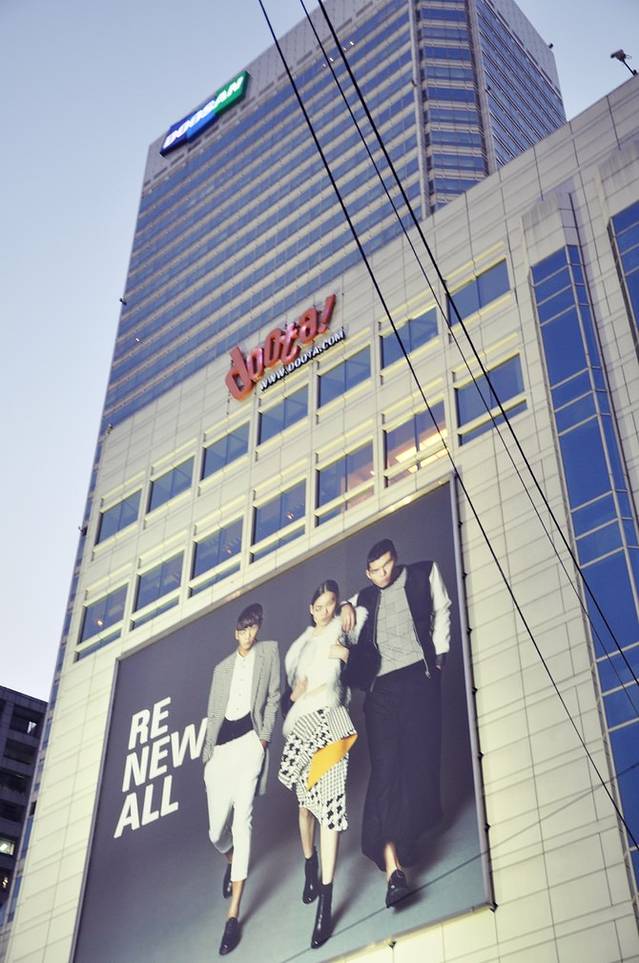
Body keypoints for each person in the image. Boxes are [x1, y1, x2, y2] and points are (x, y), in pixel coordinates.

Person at [340, 538, 451, 908]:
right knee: (386, 771)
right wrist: (344, 608)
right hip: (381, 692)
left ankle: (407, 839)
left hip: (418, 680)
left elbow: (443, 610)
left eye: (387, 565)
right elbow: (335, 627)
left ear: (395, 559)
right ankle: (393, 871)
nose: (383, 573)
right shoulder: (361, 599)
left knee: (417, 763)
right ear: (367, 573)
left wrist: (439, 659)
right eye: (375, 570)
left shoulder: (423, 573)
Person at [278, 580, 365, 949]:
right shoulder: (299, 648)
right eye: (320, 605)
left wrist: (347, 610)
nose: (325, 610)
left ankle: (326, 901)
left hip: (331, 720)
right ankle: (309, 863)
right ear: (310, 608)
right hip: (302, 726)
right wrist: (293, 695)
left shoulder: (343, 625)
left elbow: (361, 663)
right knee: (305, 809)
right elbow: (286, 702)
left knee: (331, 808)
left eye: (332, 603)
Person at [202, 602, 280, 956]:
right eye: (244, 629)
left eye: (254, 627)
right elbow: (212, 713)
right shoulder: (221, 669)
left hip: (250, 743)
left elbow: (274, 696)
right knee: (216, 832)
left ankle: (232, 915)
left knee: (242, 821)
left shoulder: (269, 652)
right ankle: (232, 859)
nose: (250, 634)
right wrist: (208, 756)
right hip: (221, 751)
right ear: (235, 633)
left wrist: (263, 740)